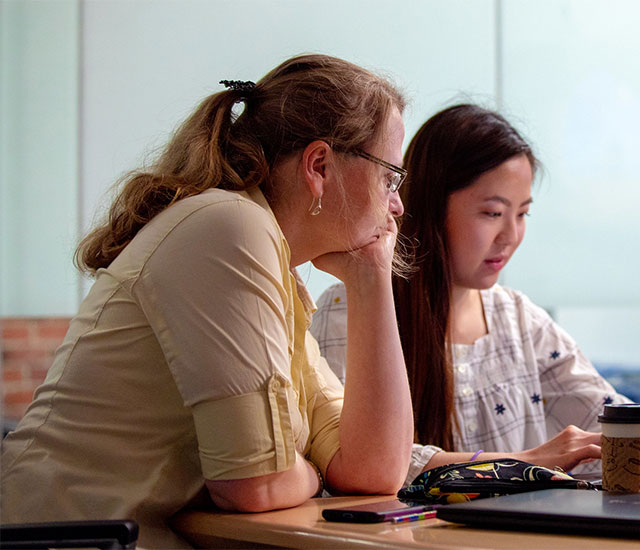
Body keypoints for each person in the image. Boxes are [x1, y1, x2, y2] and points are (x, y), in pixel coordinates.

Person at [1, 54, 413, 548]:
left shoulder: (271, 266)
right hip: (58, 540)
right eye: (390, 176)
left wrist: (370, 278)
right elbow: (255, 486)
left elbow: (373, 471)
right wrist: (310, 474)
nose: (397, 205)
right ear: (319, 165)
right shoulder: (227, 226)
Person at [309, 103, 640, 485]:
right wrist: (522, 464)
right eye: (491, 212)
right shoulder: (352, 309)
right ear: (428, 205)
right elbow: (364, 459)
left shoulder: (517, 318)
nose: (510, 235)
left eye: (522, 213)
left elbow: (604, 417)